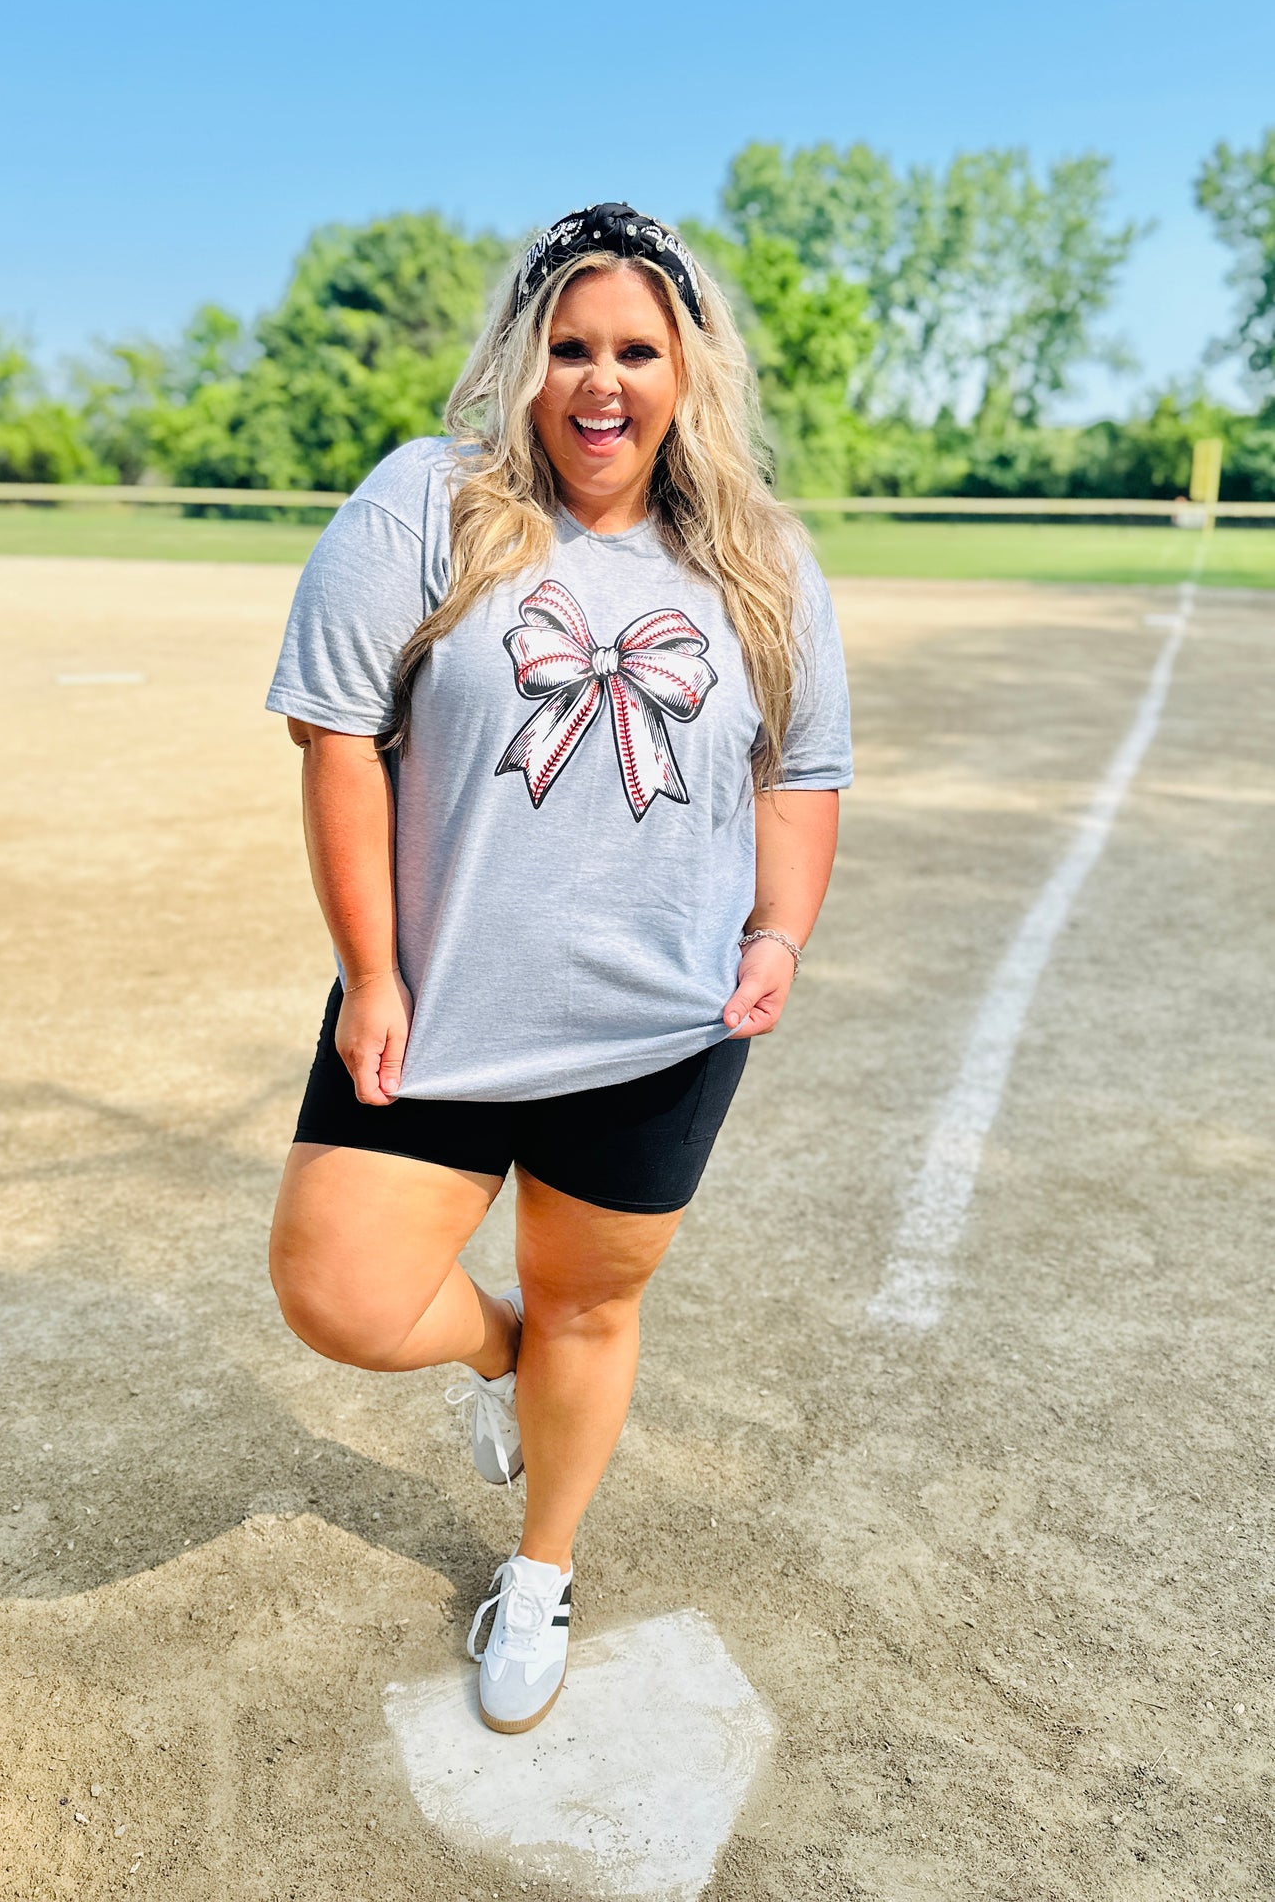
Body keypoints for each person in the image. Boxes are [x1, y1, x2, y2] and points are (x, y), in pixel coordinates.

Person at [265, 202, 851, 1734]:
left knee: (592, 1309)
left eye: (636, 351)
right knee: (341, 1292)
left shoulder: (760, 558)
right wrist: (371, 972)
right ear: (522, 361)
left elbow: (801, 773)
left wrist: (778, 933)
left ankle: (541, 1567)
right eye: (570, 347)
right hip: (437, 1004)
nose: (601, 383)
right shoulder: (428, 501)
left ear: (687, 371)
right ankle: (501, 1365)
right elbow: (337, 740)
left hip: (659, 1026)